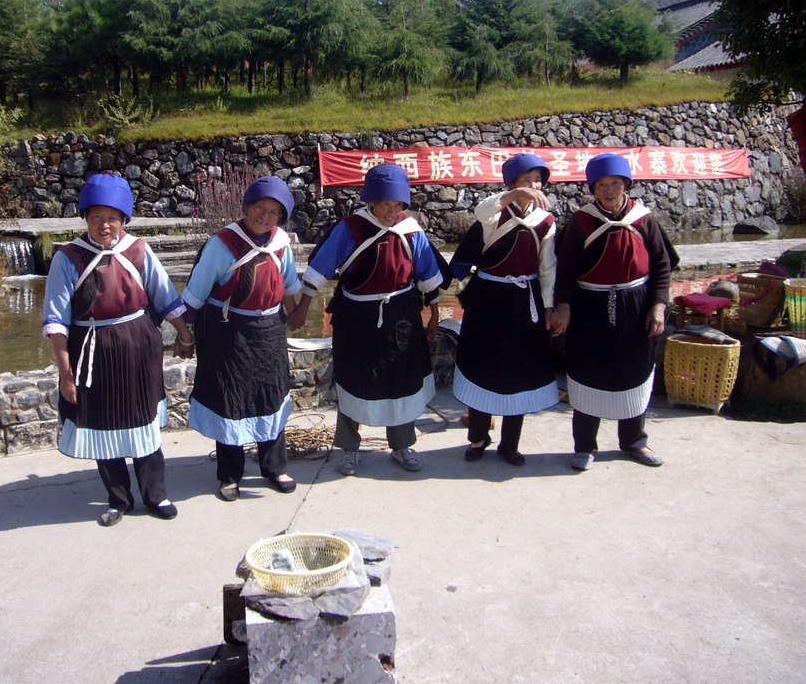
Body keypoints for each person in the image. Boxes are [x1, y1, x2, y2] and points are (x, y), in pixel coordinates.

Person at [42, 173, 195, 527]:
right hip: (90, 352)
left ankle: (156, 495)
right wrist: (66, 374)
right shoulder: (69, 259)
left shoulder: (139, 251)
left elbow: (165, 296)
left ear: (124, 219)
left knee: (143, 424)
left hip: (138, 349)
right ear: (85, 219)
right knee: (102, 425)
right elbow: (56, 321)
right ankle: (118, 498)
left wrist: (184, 335)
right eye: (96, 217)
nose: (104, 225)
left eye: (112, 217)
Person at [292, 163, 444, 476]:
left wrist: (435, 316)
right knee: (354, 380)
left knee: (401, 380)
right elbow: (320, 269)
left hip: (402, 317)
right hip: (356, 318)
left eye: (397, 204)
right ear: (370, 201)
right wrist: (302, 306)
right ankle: (349, 449)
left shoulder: (410, 230)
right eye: (386, 203)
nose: (392, 211)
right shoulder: (350, 229)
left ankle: (401, 445)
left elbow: (428, 275)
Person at [548, 153, 672, 470]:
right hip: (590, 308)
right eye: (601, 184)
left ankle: (633, 442)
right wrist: (563, 308)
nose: (609, 190)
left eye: (615, 183)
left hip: (636, 306)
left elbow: (662, 266)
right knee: (588, 373)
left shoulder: (644, 219)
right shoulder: (581, 222)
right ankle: (585, 446)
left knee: (635, 371)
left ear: (626, 184)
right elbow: (564, 271)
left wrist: (658, 305)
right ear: (593, 188)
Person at [182, 176, 302, 502]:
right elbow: (195, 293)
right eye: (259, 208)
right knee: (229, 399)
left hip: (270, 332)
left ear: (281, 217)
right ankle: (229, 475)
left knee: (271, 395)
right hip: (228, 332)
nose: (265, 216)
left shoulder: (280, 242)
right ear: (246, 207)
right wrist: (185, 335)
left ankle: (274, 468)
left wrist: (296, 313)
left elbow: (289, 283)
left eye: (274, 212)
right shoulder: (222, 244)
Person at [450, 153, 559, 465]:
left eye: (537, 180)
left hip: (524, 302)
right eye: (526, 181)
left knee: (519, 371)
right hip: (487, 299)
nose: (534, 186)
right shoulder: (494, 214)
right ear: (511, 185)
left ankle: (510, 444)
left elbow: (547, 267)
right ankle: (478, 437)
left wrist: (549, 306)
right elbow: (480, 209)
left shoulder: (546, 221)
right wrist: (513, 196)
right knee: (483, 366)